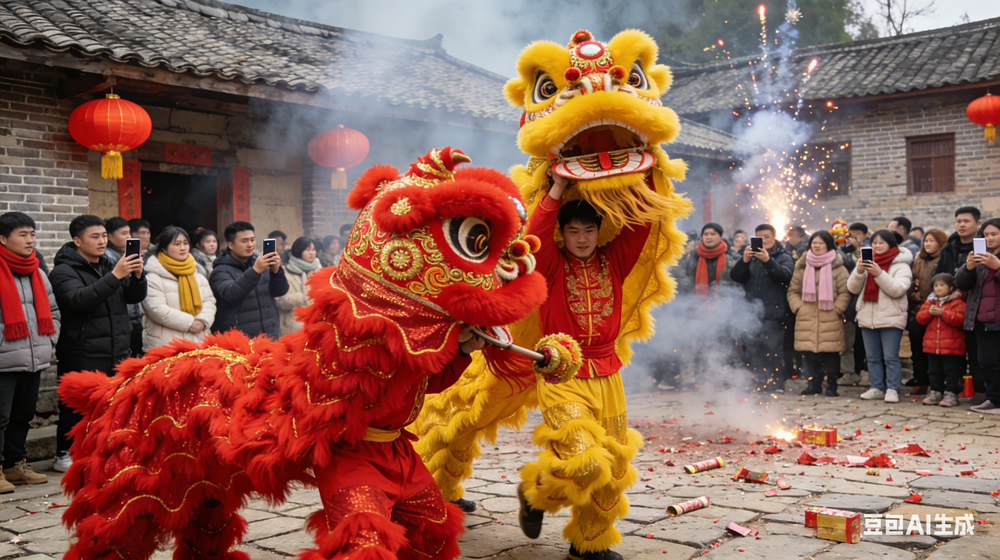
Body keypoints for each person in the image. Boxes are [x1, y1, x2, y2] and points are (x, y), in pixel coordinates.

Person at [517, 176, 647, 560]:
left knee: (614, 463)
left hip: (608, 371)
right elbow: (535, 236)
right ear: (563, 234)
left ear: (599, 231)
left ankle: (588, 544)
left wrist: (640, 174)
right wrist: (557, 188)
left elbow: (641, 225)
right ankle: (534, 492)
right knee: (583, 459)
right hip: (562, 372)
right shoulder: (552, 267)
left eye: (589, 230)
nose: (582, 238)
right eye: (573, 231)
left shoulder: (615, 260)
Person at [49, 214, 146, 472]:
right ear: (77, 240)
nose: (102, 241)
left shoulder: (109, 264)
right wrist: (115, 275)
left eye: (104, 236)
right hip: (82, 349)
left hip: (117, 346)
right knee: (78, 404)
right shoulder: (62, 271)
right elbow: (79, 301)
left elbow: (132, 297)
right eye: (95, 236)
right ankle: (64, 453)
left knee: (114, 405)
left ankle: (107, 451)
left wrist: (137, 276)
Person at [0, 212, 59, 491]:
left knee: (23, 414)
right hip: (4, 359)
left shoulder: (36, 270)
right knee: (0, 417)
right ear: (3, 238)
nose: (30, 240)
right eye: (23, 234)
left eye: (32, 234)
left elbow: (54, 311)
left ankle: (15, 465)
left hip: (35, 356)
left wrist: (49, 340)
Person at [848, 230, 912, 403]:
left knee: (890, 357)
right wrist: (859, 272)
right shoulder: (867, 262)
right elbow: (852, 288)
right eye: (874, 242)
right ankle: (876, 387)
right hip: (868, 316)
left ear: (891, 245)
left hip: (891, 317)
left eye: (881, 242)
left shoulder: (901, 265)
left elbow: (898, 289)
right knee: (872, 357)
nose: (876, 246)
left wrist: (879, 273)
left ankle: (892, 388)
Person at [731, 224, 795, 392]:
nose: (763, 241)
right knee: (752, 348)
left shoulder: (783, 255)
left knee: (772, 348)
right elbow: (736, 276)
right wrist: (744, 260)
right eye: (759, 237)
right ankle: (757, 381)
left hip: (774, 311)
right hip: (751, 311)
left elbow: (785, 276)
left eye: (767, 237)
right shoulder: (749, 256)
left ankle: (776, 383)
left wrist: (767, 260)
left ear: (774, 238)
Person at [787, 231, 851, 396]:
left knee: (830, 355)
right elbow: (793, 291)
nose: (816, 246)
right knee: (809, 356)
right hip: (806, 316)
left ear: (829, 246)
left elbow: (845, 292)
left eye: (821, 243)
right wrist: (799, 307)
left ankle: (831, 384)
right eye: (814, 243)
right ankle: (813, 385)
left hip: (830, 316)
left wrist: (837, 309)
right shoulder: (802, 266)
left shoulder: (838, 267)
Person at [141, 226, 216, 351]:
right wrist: (190, 323)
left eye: (185, 243)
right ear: (164, 249)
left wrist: (203, 321)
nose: (183, 248)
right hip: (165, 345)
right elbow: (156, 309)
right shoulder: (153, 277)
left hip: (198, 342)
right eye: (177, 244)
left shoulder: (197, 274)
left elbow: (209, 301)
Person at [209, 221, 288, 339]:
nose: (250, 245)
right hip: (240, 339)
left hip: (269, 335)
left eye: (252, 240)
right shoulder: (220, 271)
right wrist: (255, 271)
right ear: (230, 245)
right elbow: (231, 294)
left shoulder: (261, 263)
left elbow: (280, 291)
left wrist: (276, 271)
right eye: (244, 241)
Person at [937, 206, 985, 394]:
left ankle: (981, 391)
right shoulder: (950, 246)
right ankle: (953, 388)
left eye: (967, 221)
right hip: (951, 304)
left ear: (978, 224)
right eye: (959, 221)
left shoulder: (984, 245)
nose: (962, 225)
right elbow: (940, 274)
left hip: (977, 305)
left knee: (978, 352)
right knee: (953, 349)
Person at [956, 218, 1000, 414]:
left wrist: (997, 266)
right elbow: (962, 285)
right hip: (981, 318)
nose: (989, 238)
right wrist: (968, 267)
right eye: (986, 235)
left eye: (994, 234)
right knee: (987, 361)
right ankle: (993, 399)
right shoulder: (980, 256)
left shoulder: (993, 260)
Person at [905, 228, 947, 394]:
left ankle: (937, 384)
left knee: (935, 350)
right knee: (917, 349)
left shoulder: (943, 259)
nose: (928, 244)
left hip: (935, 308)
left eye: (932, 241)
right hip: (917, 308)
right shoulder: (918, 259)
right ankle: (921, 380)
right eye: (926, 241)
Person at [916, 273, 966, 407]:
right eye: (935, 285)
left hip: (952, 346)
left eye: (942, 285)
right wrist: (929, 313)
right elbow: (920, 318)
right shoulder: (930, 301)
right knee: (933, 371)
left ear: (951, 287)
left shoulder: (957, 302)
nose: (938, 288)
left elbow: (961, 320)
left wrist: (943, 314)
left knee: (951, 371)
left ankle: (951, 394)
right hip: (932, 345)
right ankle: (935, 392)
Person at [276, 236, 321, 336]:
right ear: (298, 251)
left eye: (313, 249)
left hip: (316, 326)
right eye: (307, 249)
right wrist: (304, 297)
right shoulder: (285, 272)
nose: (311, 253)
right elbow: (281, 301)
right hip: (293, 327)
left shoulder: (319, 271)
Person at [676, 223, 736, 296]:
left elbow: (734, 283)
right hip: (694, 301)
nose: (709, 237)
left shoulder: (730, 258)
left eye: (713, 234)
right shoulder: (691, 256)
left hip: (723, 302)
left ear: (720, 236)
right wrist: (686, 283)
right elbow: (679, 275)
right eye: (706, 234)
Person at [126, 217, 152, 356]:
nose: (146, 237)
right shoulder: (123, 259)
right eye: (142, 233)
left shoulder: (155, 255)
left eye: (148, 233)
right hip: (133, 314)